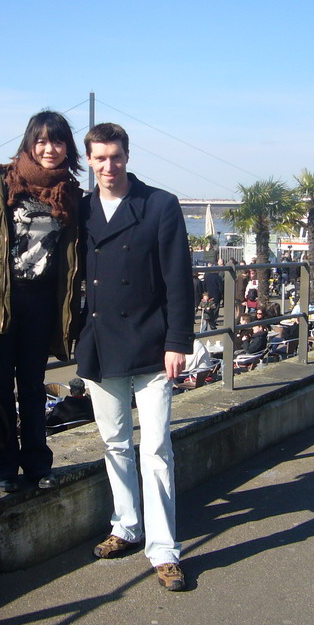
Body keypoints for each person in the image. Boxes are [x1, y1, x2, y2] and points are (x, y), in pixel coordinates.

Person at [76, 122, 194, 592]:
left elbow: (178, 278)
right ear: (88, 160)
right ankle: (126, 525)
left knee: (157, 450)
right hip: (101, 344)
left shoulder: (160, 204)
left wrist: (178, 342)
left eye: (116, 157)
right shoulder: (80, 211)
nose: (109, 166)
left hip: (151, 344)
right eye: (100, 158)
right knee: (115, 444)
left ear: (128, 156)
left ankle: (164, 550)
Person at [0, 111, 83, 494]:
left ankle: (38, 466)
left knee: (32, 386)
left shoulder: (70, 191)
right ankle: (3, 470)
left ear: (67, 147)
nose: (50, 148)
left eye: (58, 141)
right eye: (42, 141)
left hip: (43, 302)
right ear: (29, 143)